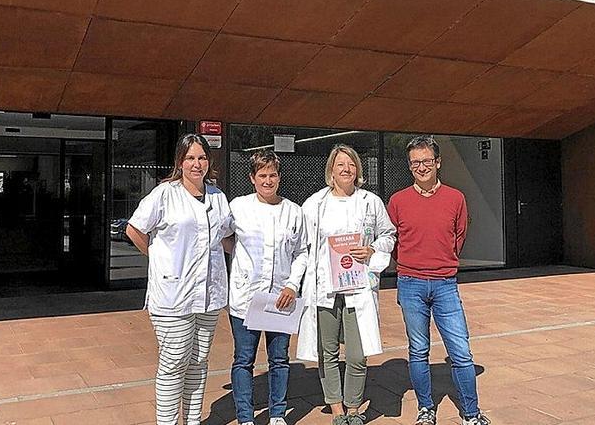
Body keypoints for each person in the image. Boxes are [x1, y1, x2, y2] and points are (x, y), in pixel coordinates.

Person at [126, 134, 230, 425]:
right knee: (174, 362)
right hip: (173, 295)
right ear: (180, 162)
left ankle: (193, 420)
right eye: (190, 158)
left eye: (202, 158)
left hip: (209, 294)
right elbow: (135, 230)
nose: (197, 164)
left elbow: (227, 237)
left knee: (198, 361)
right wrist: (159, 259)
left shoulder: (218, 196)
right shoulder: (164, 194)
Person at [386, 136, 490, 425]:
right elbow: (393, 241)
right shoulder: (397, 201)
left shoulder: (456, 198)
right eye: (415, 162)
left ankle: (471, 413)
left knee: (461, 351)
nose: (422, 167)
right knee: (418, 351)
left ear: (438, 162)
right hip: (410, 283)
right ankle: (425, 409)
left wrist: (443, 260)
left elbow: (459, 237)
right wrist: (410, 263)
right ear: (409, 166)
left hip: (445, 283)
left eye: (427, 161)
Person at [296, 144, 396, 425]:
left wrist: (373, 250)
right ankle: (337, 409)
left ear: (358, 170)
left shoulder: (370, 201)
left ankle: (354, 407)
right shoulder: (315, 204)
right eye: (340, 165)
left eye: (351, 165)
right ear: (331, 170)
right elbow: (301, 244)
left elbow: (388, 234)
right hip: (325, 288)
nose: (346, 169)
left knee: (357, 351)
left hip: (358, 286)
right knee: (326, 350)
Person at [221, 150, 308, 425]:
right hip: (246, 298)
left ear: (279, 177)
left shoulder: (293, 211)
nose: (267, 181)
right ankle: (245, 417)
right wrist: (241, 264)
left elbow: (301, 252)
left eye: (272, 175)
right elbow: (225, 238)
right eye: (262, 175)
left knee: (279, 359)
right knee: (244, 360)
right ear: (252, 178)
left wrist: (292, 285)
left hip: (280, 298)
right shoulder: (238, 207)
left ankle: (277, 415)